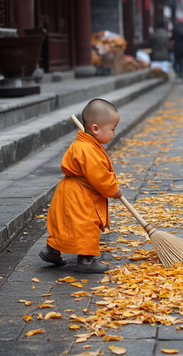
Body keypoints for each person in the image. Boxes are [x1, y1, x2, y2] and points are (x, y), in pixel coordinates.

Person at [39, 99, 122, 273]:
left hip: (67, 191)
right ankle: (86, 261)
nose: (114, 132)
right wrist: (113, 189)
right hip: (81, 195)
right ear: (96, 129)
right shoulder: (87, 149)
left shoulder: (83, 144)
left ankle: (52, 251)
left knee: (64, 223)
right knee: (86, 224)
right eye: (113, 129)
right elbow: (99, 175)